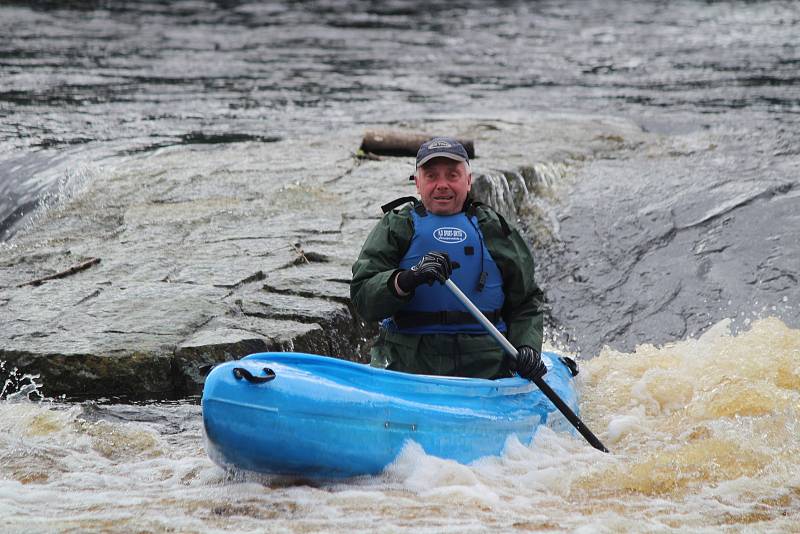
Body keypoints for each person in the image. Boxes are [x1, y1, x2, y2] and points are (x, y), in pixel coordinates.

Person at [350, 137, 547, 381]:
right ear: (417, 183)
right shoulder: (397, 227)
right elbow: (362, 298)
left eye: (452, 175)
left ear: (468, 181)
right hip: (409, 364)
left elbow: (526, 302)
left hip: (486, 366)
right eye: (431, 176)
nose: (442, 185)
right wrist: (407, 279)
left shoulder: (494, 229)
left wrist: (527, 347)